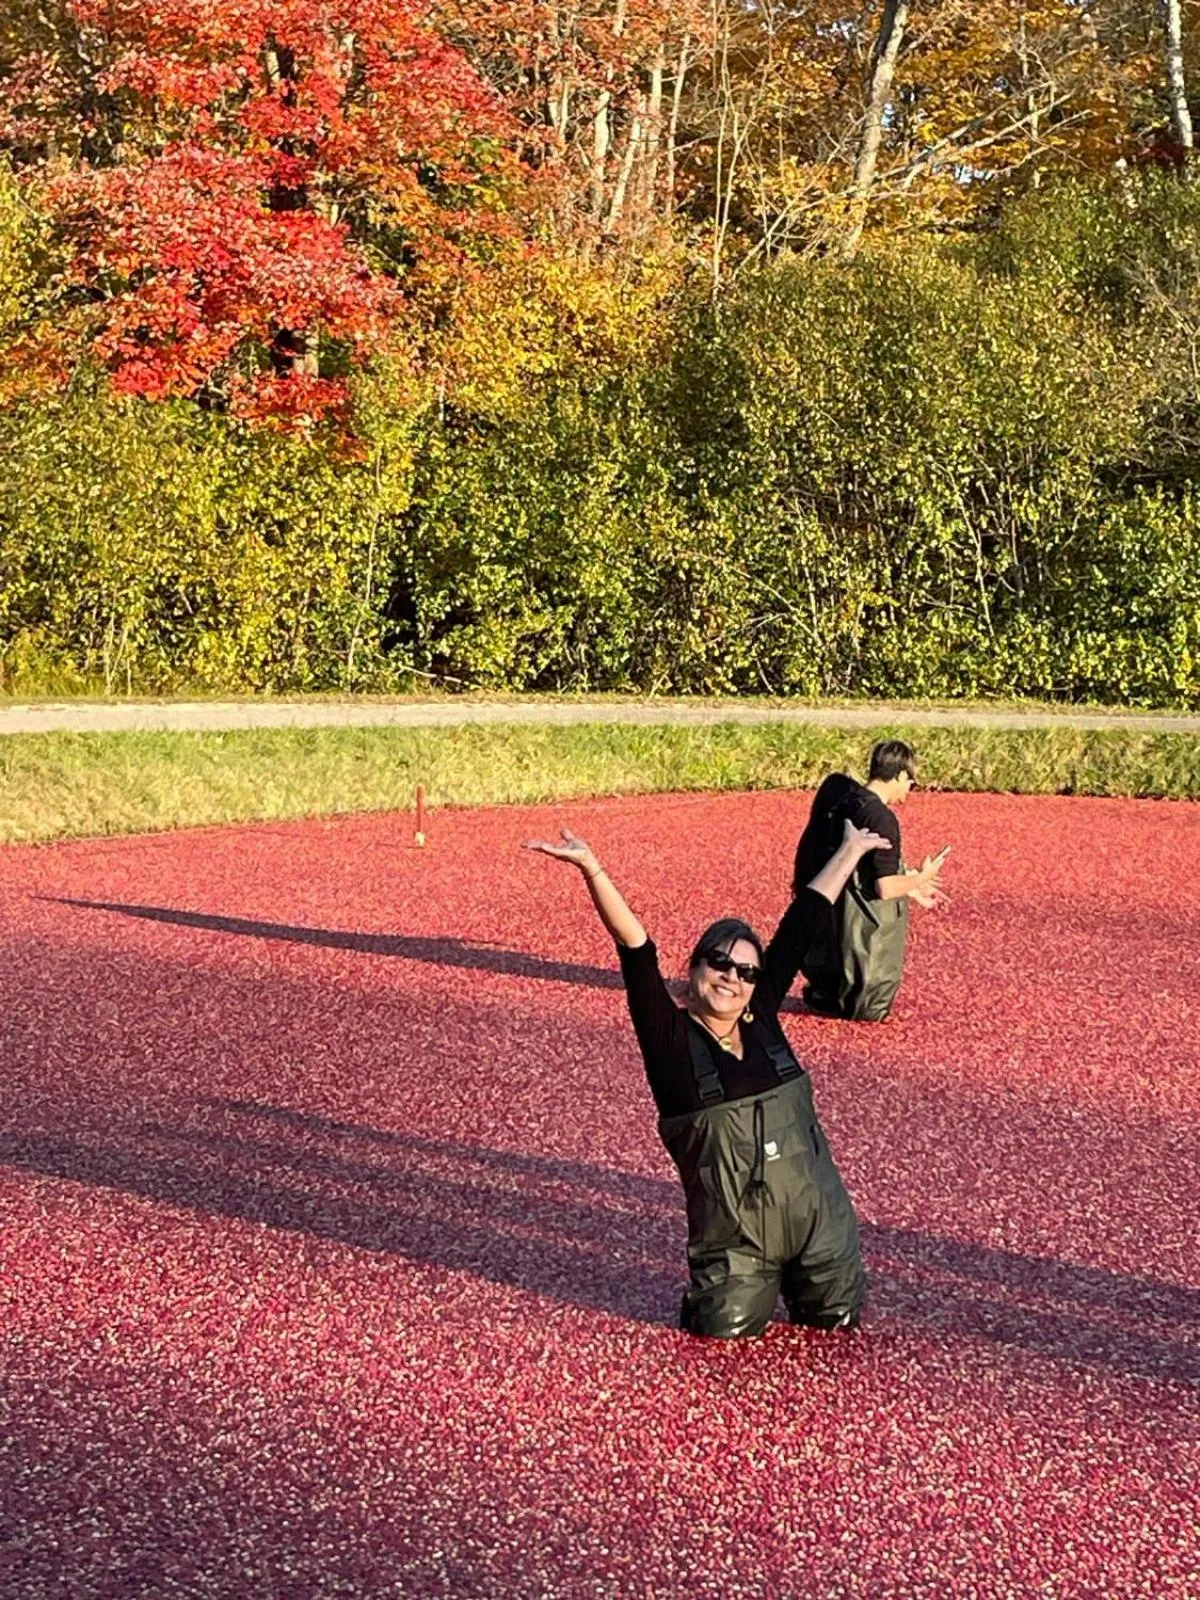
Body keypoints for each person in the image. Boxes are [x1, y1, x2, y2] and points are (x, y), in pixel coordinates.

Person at [525, 819, 891, 1340]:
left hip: (822, 1224)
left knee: (837, 1327)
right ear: (694, 967)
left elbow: (803, 921)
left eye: (746, 972)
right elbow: (636, 950)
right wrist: (593, 869)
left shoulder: (761, 1016)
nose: (732, 978)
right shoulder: (670, 1039)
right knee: (720, 1334)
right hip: (737, 1246)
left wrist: (851, 850)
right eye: (719, 962)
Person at [792, 740, 948, 1021]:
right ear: (900, 775)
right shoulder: (882, 817)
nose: (909, 790)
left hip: (831, 925)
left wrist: (912, 884)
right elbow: (884, 887)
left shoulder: (845, 804)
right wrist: (922, 877)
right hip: (860, 940)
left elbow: (857, 870)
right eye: (910, 782)